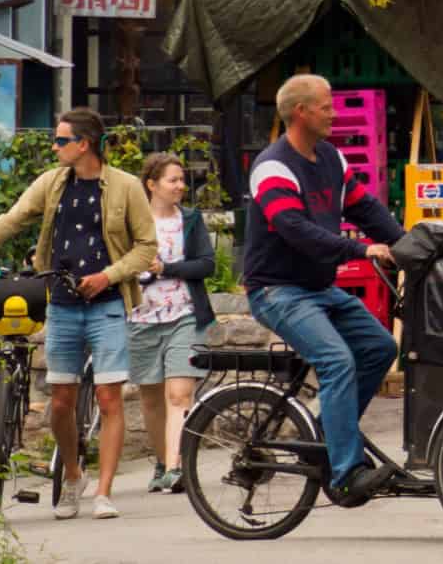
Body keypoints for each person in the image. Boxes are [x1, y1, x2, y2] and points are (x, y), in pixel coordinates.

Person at [0, 108, 155, 520]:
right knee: (60, 401)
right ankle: (73, 474)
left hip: (108, 304)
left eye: (61, 141)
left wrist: (108, 275)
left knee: (109, 396)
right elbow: (11, 221)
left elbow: (146, 247)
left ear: (85, 144)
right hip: (61, 303)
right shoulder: (52, 184)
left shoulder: (127, 187)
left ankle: (104, 492)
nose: (54, 147)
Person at [244, 75, 406, 506]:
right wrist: (362, 249)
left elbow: (365, 208)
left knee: (379, 347)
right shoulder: (272, 167)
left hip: (318, 288)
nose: (333, 113)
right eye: (325, 106)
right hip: (277, 291)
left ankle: (329, 436)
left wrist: (408, 246)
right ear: (301, 112)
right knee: (336, 361)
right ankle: (346, 474)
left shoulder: (331, 158)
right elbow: (295, 229)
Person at [131, 152, 215, 495]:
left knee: (179, 394)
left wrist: (167, 269)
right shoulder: (132, 223)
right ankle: (163, 462)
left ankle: (177, 467)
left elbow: (206, 265)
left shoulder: (191, 221)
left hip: (185, 315)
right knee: (151, 398)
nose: (180, 186)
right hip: (139, 318)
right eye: (172, 180)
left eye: (182, 180)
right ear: (152, 185)